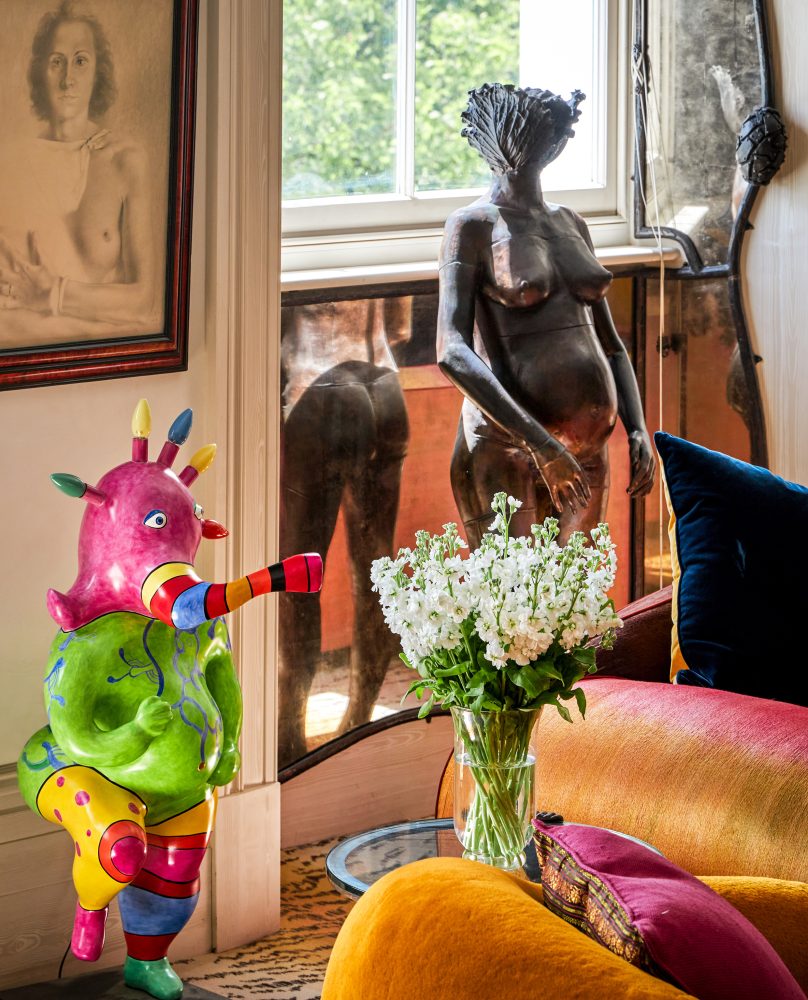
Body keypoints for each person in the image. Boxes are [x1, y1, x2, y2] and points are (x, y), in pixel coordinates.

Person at [437, 83, 654, 546]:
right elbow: (451, 351)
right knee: (515, 591)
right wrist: (542, 445)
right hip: (507, 448)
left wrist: (638, 428)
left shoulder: (570, 222)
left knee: (579, 589)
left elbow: (612, 345)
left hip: (587, 452)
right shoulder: (472, 226)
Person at [278, 297, 410, 767]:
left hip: (317, 385)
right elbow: (399, 327)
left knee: (296, 581)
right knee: (374, 575)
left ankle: (288, 739)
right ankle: (359, 722)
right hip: (386, 387)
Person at [0, 2, 158, 344]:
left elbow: (144, 301)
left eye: (80, 61)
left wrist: (54, 294)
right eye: (57, 62)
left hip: (109, 360)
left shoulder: (126, 160)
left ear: (98, 71)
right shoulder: (11, 163)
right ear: (40, 71)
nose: (68, 79)